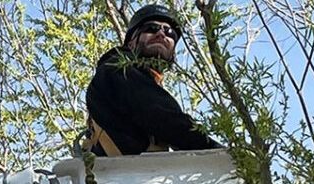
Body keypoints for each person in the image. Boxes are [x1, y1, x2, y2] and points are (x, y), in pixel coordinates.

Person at [85, 4, 223, 156]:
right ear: (131, 42)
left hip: (136, 173)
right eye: (151, 28)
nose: (161, 34)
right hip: (118, 175)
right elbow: (167, 121)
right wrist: (223, 153)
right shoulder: (117, 69)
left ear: (173, 53)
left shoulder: (145, 82)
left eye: (169, 32)